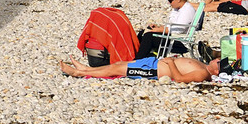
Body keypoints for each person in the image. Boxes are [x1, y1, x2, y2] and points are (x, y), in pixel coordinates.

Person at [59, 55, 221, 83]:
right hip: (153, 63)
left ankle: (79, 73)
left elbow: (179, 79)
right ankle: (86, 69)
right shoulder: (204, 66)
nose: (216, 59)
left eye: (219, 63)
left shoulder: (202, 73)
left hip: (152, 71)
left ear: (217, 72)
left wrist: (171, 63)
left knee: (117, 70)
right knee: (118, 65)